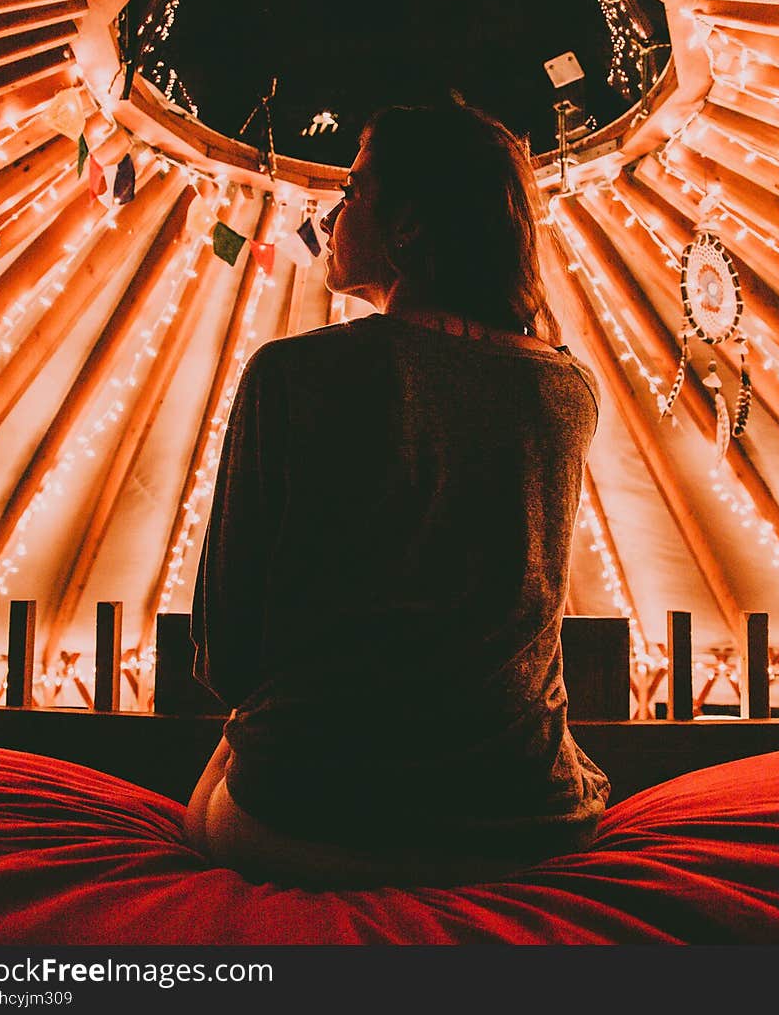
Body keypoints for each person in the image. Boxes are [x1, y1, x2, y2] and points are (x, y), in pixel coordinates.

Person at [184, 99, 610, 888]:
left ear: (407, 229)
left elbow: (227, 659)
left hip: (314, 819)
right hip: (532, 820)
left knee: (212, 784)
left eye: (353, 191)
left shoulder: (290, 375)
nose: (335, 211)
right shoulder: (568, 391)